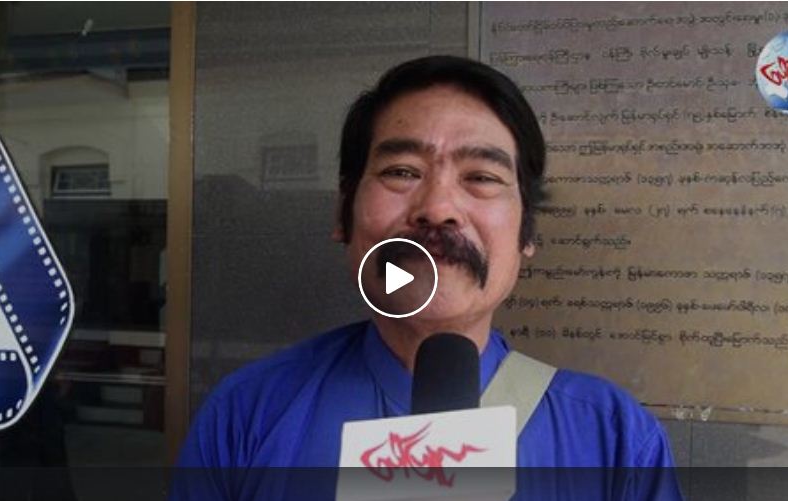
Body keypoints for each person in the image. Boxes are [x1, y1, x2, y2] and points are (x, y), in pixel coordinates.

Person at [173, 55, 682, 500]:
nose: (437, 208)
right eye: (401, 171)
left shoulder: (614, 439)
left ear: (527, 233)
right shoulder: (247, 414)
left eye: (481, 177)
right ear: (342, 214)